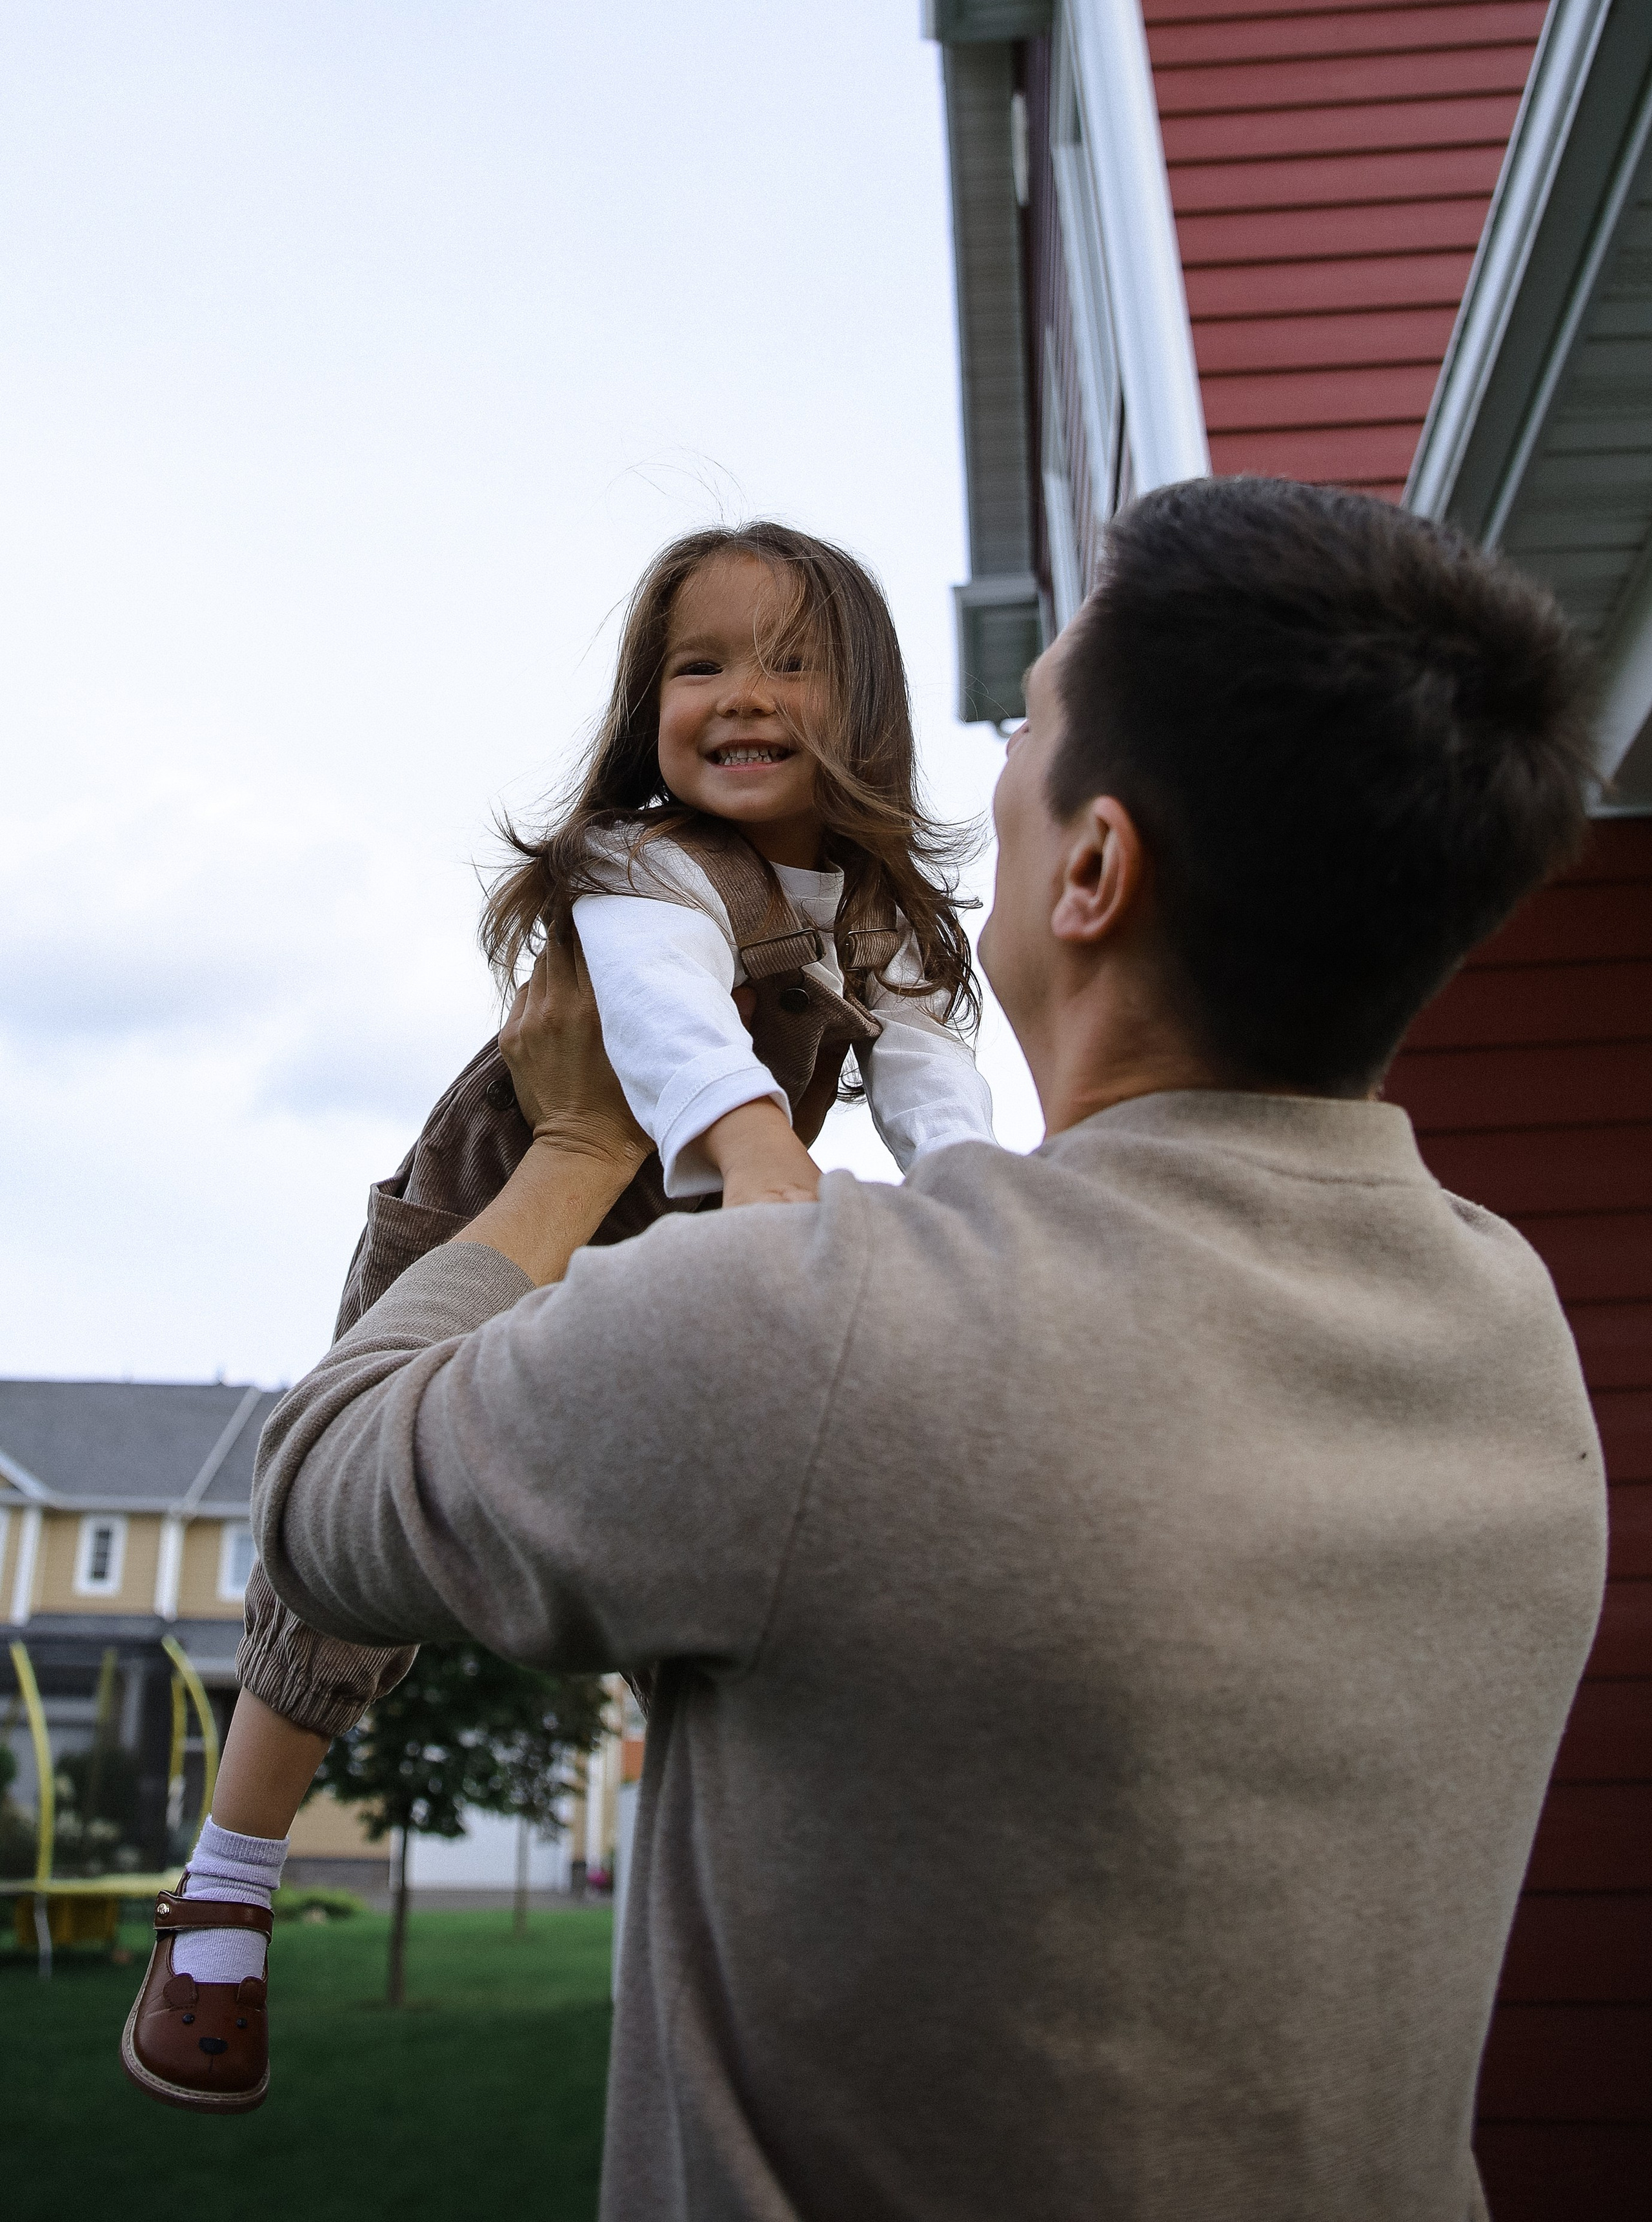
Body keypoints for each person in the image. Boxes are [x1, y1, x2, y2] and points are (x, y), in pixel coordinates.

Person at [148, 478, 1605, 2219]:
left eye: (1033, 726)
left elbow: (319, 1490)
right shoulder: (1518, 1340)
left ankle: (219, 1900)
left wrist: (580, 1157)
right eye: (703, 667)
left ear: (1093, 866)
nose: (992, 766)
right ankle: (229, 1874)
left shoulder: (821, 1345)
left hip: (607, 1214)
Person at [119, 523, 993, 2116]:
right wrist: (750, 1149)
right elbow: (660, 1022)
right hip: (498, 1213)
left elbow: (939, 1090)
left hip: (701, 1241)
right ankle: (227, 1891)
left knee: (734, 1537)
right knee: (340, 1571)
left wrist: (990, 1227)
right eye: (698, 664)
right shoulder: (639, 865)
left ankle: (723, 1925)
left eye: (789, 662)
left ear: (861, 705)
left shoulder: (893, 923)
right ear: (642, 702)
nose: (740, 695)